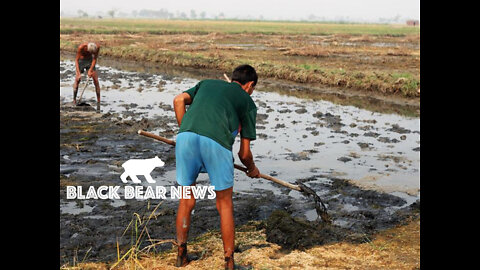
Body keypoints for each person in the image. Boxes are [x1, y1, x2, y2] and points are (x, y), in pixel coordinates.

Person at [173, 64, 260, 269]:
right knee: (224, 204)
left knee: (186, 199)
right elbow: (244, 153)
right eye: (253, 89)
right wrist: (252, 169)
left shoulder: (207, 84)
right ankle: (229, 263)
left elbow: (178, 100)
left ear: (233, 79)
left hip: (185, 138)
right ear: (249, 85)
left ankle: (181, 256)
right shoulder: (247, 102)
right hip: (216, 144)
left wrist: (186, 130)